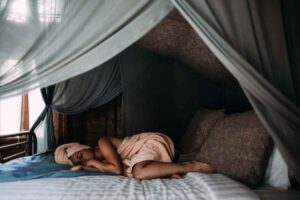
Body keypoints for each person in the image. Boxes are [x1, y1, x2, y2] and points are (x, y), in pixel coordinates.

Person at [54, 132, 215, 180]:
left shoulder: (102, 142)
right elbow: (122, 169)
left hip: (150, 142)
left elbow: (117, 170)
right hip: (142, 154)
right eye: (80, 160)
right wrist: (85, 166)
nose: (85, 159)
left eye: (81, 155)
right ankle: (169, 171)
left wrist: (94, 163)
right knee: (133, 171)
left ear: (82, 147)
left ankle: (190, 166)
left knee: (137, 172)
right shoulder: (101, 160)